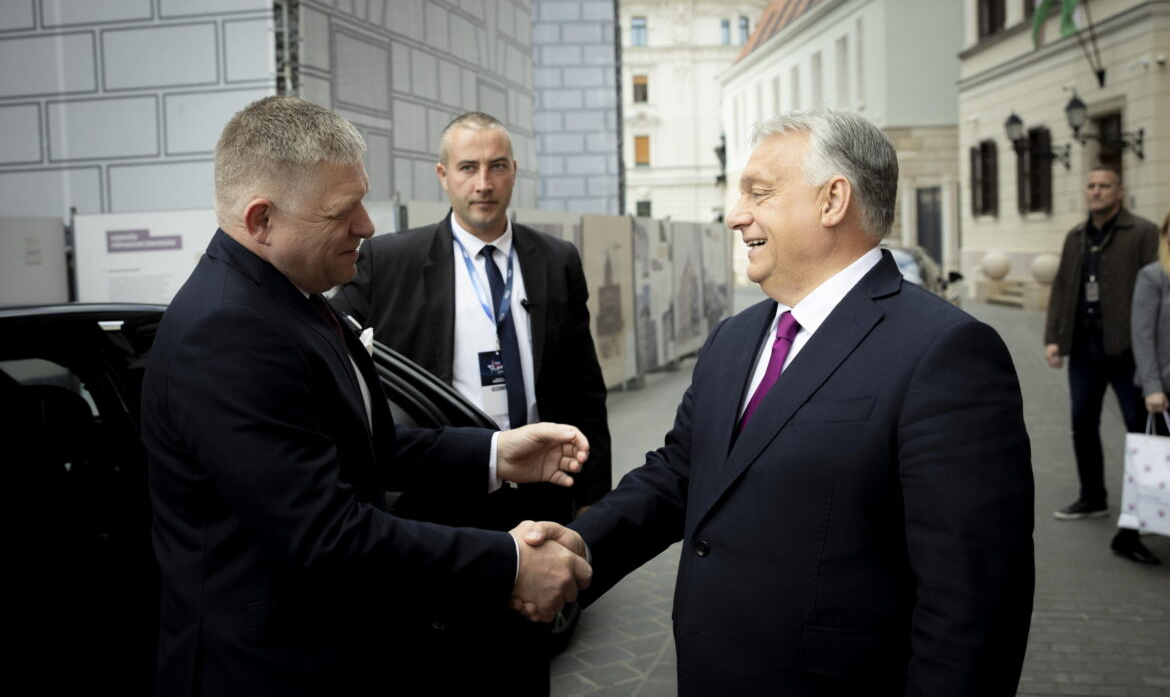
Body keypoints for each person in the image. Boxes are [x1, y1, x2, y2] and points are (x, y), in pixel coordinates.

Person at [525, 110, 1036, 695]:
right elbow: (682, 472)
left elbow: (972, 605)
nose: (735, 215)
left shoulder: (946, 352)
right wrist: (583, 544)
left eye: (759, 193)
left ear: (832, 200)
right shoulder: (734, 337)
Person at [140, 96, 591, 696]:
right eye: (341, 212)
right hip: (269, 672)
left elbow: (368, 449)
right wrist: (508, 562)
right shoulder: (227, 332)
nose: (366, 226)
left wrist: (494, 453)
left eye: (362, 201)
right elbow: (325, 535)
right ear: (261, 220)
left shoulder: (293, 296)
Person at [330, 111, 611, 694]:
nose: (483, 183)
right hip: (437, 499)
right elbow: (331, 360)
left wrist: (592, 498)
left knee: (524, 661)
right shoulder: (388, 261)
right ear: (443, 175)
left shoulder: (557, 260)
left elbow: (584, 384)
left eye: (497, 166)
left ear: (514, 172)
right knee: (441, 663)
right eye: (468, 168)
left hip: (539, 494)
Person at [1044, 166, 1159, 521]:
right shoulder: (1076, 235)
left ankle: (1150, 506)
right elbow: (1062, 287)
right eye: (1091, 185)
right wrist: (1053, 338)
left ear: (1119, 191)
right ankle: (1092, 498)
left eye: (1104, 186)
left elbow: (1157, 289)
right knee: (1082, 423)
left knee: (1141, 428)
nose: (1096, 191)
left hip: (1129, 349)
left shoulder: (1143, 232)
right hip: (1084, 346)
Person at [1112, 210, 1170, 565]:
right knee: (1151, 463)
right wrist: (1152, 387)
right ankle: (1128, 536)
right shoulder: (1154, 276)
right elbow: (1143, 335)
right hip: (1161, 391)